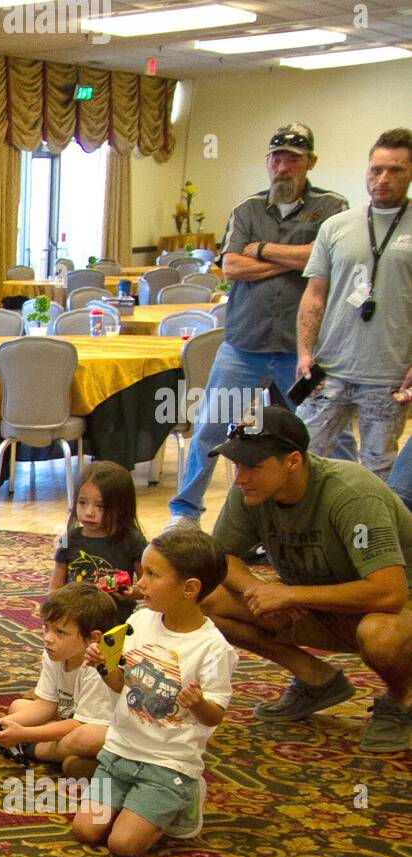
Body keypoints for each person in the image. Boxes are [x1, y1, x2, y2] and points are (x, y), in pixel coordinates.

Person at [168, 125, 351, 524]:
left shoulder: (333, 208)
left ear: (311, 163)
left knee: (331, 435)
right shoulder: (246, 209)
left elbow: (327, 259)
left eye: (293, 159)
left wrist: (264, 251)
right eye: (277, 158)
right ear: (268, 162)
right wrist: (296, 259)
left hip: (301, 349)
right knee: (209, 431)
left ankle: (352, 506)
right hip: (244, 346)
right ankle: (184, 513)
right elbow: (231, 265)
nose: (283, 167)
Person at [203, 407, 412, 753]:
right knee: (203, 596)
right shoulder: (250, 493)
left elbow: (389, 593)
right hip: (325, 609)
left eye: (253, 465)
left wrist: (291, 595)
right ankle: (317, 679)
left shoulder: (351, 494)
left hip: (396, 611)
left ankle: (401, 699)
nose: (240, 477)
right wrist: (258, 589)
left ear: (294, 461)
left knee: (379, 634)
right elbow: (217, 557)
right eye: (237, 465)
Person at [80, 527, 236, 856]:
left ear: (189, 588)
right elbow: (121, 684)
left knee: (123, 845)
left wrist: (198, 704)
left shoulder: (213, 648)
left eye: (152, 574)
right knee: (86, 830)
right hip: (121, 751)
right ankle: (138, 805)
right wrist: (102, 665)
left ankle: (184, 798)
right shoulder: (141, 620)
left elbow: (214, 716)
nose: (141, 583)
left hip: (167, 763)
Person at [295, 128, 412, 478]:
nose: (383, 179)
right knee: (300, 457)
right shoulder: (336, 226)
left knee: (378, 470)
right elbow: (315, 294)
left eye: (396, 170)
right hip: (329, 369)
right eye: (376, 170)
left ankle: (369, 533)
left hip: (388, 377)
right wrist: (304, 353)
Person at [0, 582, 117, 776]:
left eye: (60, 632)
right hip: (68, 718)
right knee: (18, 706)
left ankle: (31, 749)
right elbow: (46, 704)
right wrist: (2, 723)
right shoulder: (56, 654)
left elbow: (79, 725)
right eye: (46, 628)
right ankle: (76, 759)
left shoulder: (99, 666)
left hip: (97, 728)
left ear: (93, 638)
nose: (48, 638)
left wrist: (24, 734)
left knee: (88, 737)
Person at [51, 460, 147, 620]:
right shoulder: (67, 539)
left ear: (122, 507)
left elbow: (148, 584)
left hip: (115, 620)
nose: (89, 512)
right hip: (75, 620)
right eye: (82, 503)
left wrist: (131, 592)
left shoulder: (132, 540)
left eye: (101, 506)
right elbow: (56, 584)